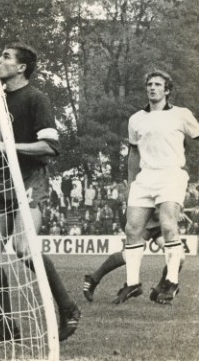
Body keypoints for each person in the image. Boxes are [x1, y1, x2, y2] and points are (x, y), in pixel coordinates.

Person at [0, 43, 80, 343]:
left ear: (21, 68)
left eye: (6, 57)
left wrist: (9, 146)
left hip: (31, 179)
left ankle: (68, 308)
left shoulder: (37, 98)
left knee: (23, 247)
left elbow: (51, 147)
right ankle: (7, 324)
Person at [112, 70, 199, 305]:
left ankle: (171, 282)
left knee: (169, 224)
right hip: (145, 177)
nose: (152, 88)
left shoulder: (181, 115)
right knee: (132, 230)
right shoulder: (136, 119)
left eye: (158, 84)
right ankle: (132, 284)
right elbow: (133, 153)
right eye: (149, 84)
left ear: (167, 90)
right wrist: (131, 184)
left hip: (171, 174)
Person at [83, 210, 186, 302]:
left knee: (179, 257)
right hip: (140, 216)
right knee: (131, 255)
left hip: (157, 222)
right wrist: (174, 213)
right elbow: (157, 208)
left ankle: (160, 289)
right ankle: (93, 279)